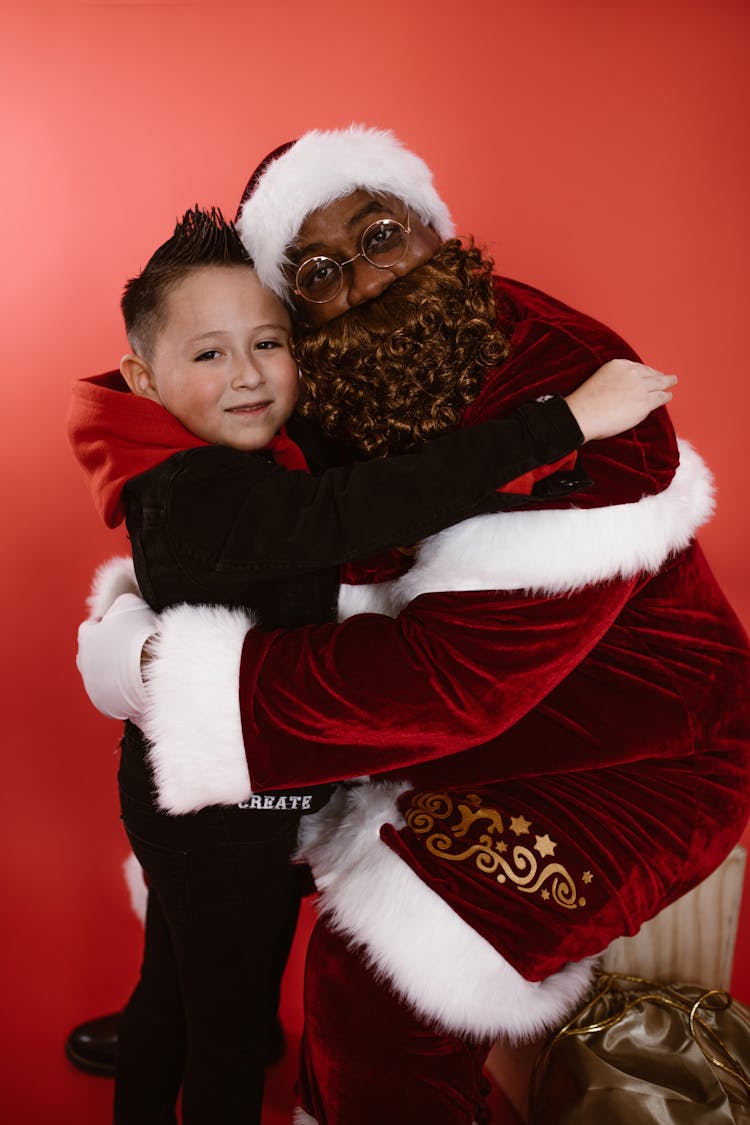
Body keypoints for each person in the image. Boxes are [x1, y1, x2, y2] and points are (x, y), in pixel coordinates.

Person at [77, 126, 750, 1124]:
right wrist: (139, 607)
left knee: (375, 993)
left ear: (436, 230)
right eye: (316, 270)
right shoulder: (319, 372)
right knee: (211, 858)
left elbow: (447, 683)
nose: (361, 279)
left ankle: (223, 1021)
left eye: (381, 235)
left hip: (627, 752)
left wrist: (164, 670)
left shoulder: (560, 375)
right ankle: (197, 1005)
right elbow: (244, 520)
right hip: (447, 722)